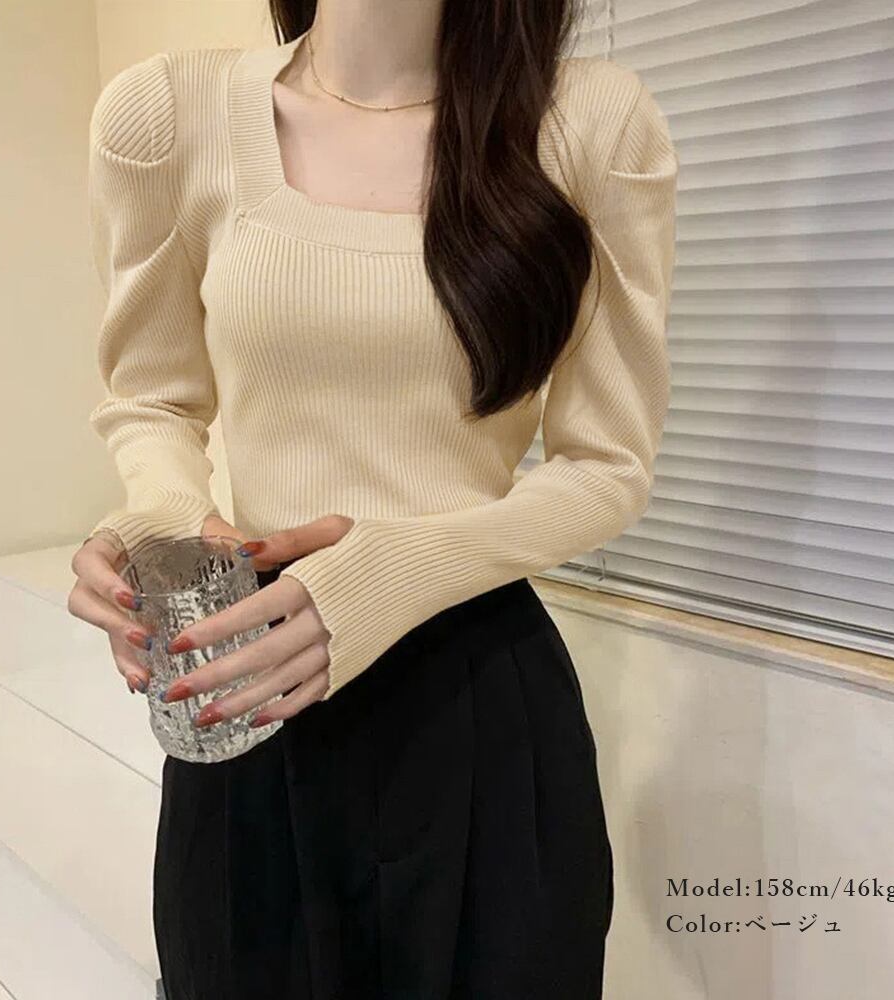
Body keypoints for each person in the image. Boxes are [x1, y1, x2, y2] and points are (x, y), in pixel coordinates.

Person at [67, 0, 678, 996]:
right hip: (249, 692)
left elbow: (607, 465)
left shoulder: (588, 125)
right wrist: (166, 522)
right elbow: (151, 398)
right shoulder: (167, 116)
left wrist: (390, 564)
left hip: (475, 701)